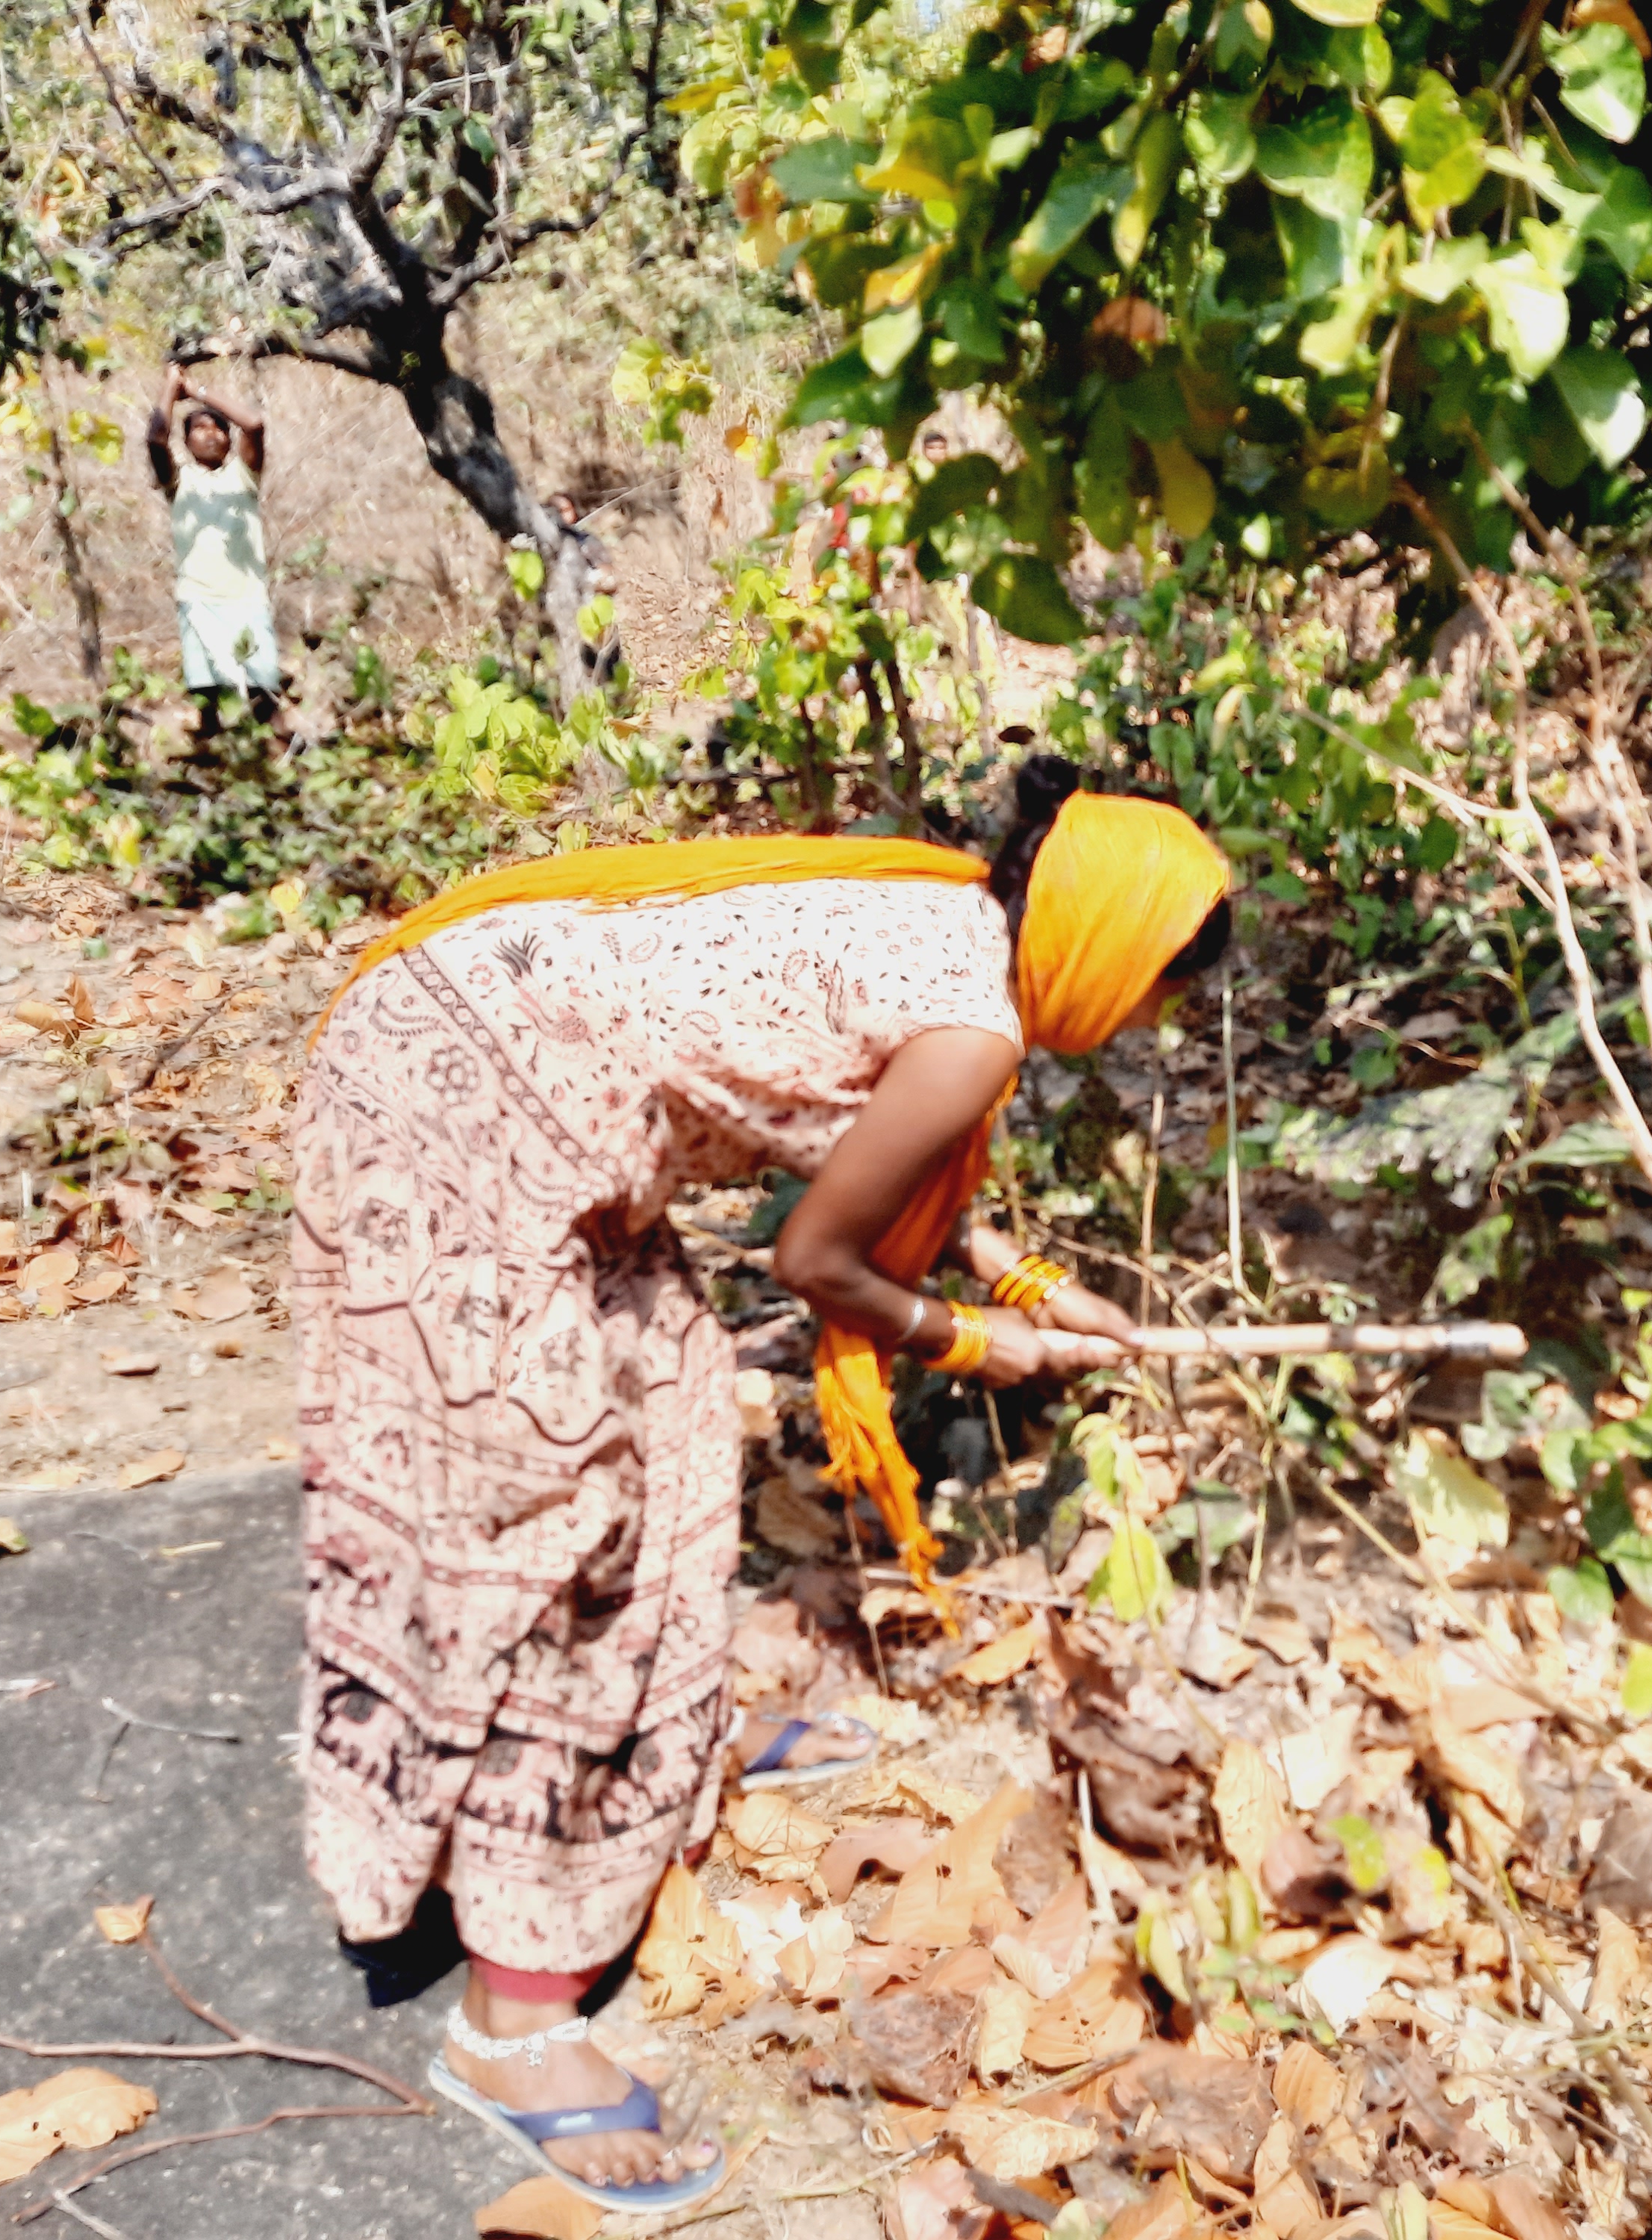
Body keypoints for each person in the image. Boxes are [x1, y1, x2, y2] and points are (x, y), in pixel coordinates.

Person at [291, 758, 1229, 2206]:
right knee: (561, 1519)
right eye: (1161, 988)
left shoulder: (954, 921)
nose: (1148, 1024)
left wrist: (1039, 1289)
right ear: (1107, 946)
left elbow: (885, 1178)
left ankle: (657, 1753)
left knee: (669, 1416)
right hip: (462, 1120)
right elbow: (818, 1264)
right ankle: (513, 2026)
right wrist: (984, 1346)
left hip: (470, 1058)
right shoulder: (974, 1027)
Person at [144, 363, 280, 733]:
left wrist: (198, 391)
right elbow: (156, 439)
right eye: (199, 429)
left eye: (217, 427)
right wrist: (171, 388)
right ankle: (212, 766)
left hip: (247, 598)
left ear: (228, 438)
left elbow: (253, 424)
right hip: (199, 599)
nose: (210, 435)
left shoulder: (243, 476)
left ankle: (269, 761)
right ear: (186, 442)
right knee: (207, 699)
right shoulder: (179, 481)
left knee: (262, 692)